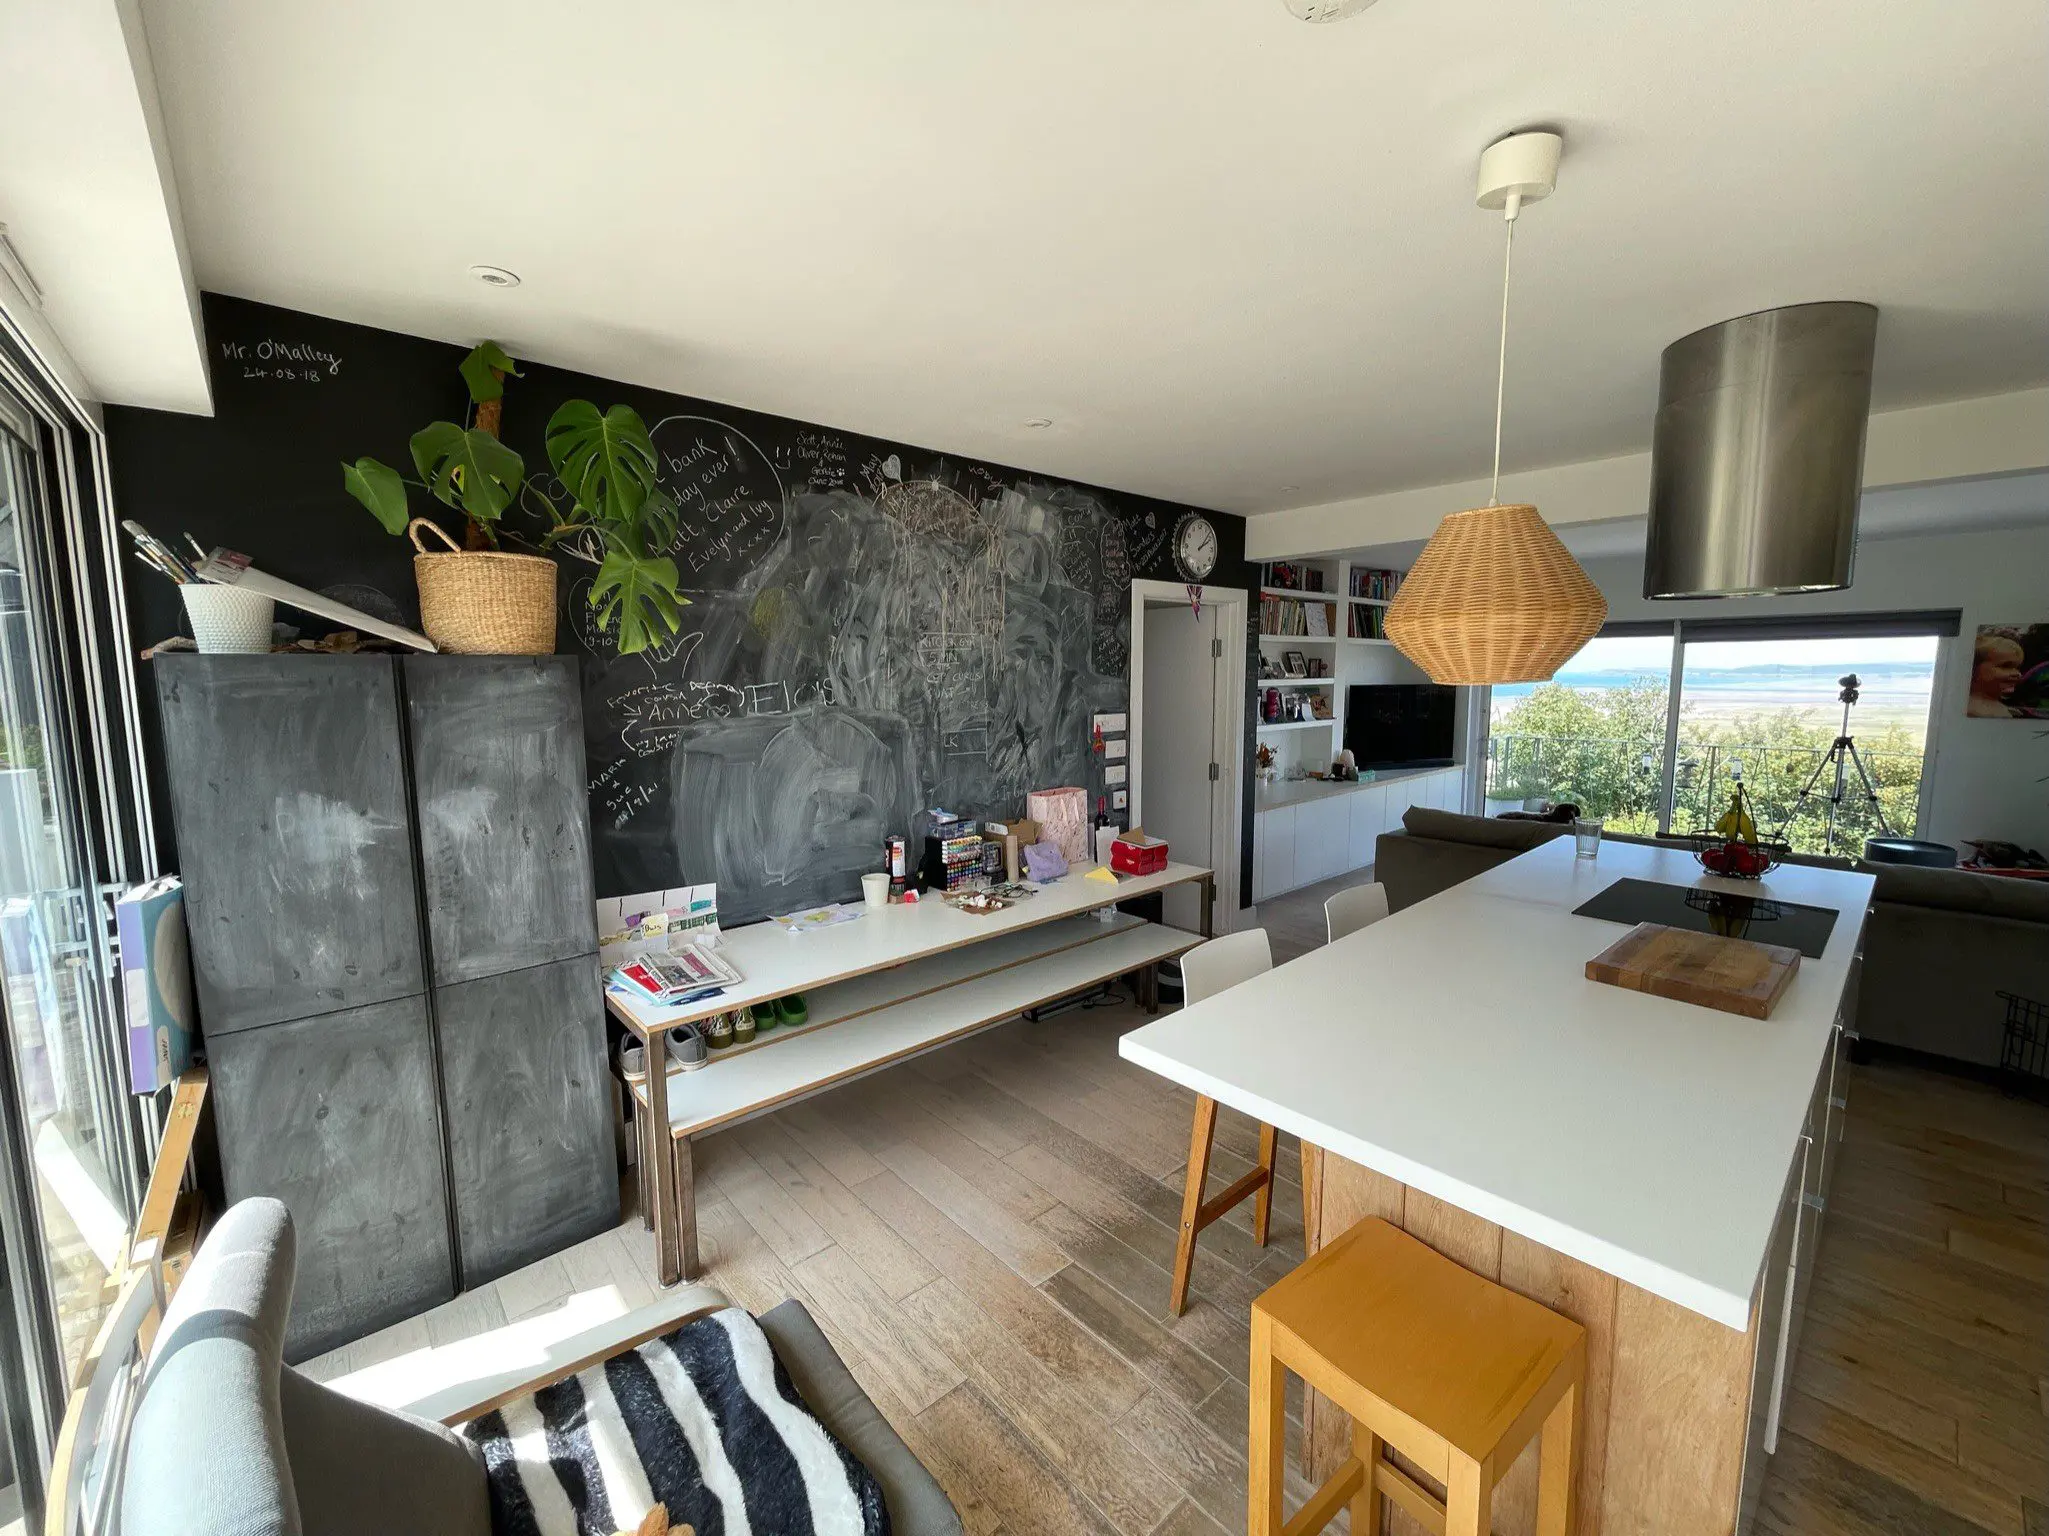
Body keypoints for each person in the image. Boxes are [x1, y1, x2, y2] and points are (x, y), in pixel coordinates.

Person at [1966, 632, 2025, 717]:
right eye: (2005, 666)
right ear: (1973, 668)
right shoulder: (1974, 711)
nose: (2017, 673)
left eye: (2017, 668)